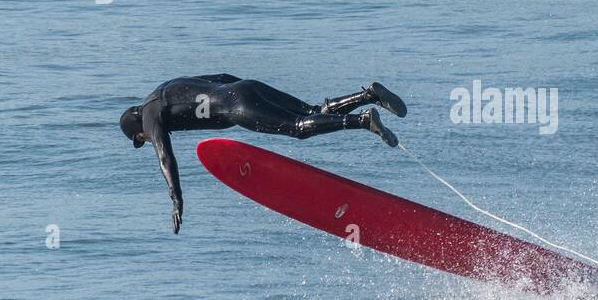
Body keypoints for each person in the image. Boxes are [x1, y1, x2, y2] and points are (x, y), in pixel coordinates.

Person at [119, 75, 406, 233]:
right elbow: (220, 77)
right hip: (245, 86)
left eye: (140, 138)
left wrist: (176, 199)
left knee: (298, 127)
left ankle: (361, 120)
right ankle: (369, 95)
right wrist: (251, 94)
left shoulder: (149, 113)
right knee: (312, 111)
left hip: (235, 106)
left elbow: (165, 156)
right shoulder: (165, 87)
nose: (145, 138)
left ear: (136, 128)